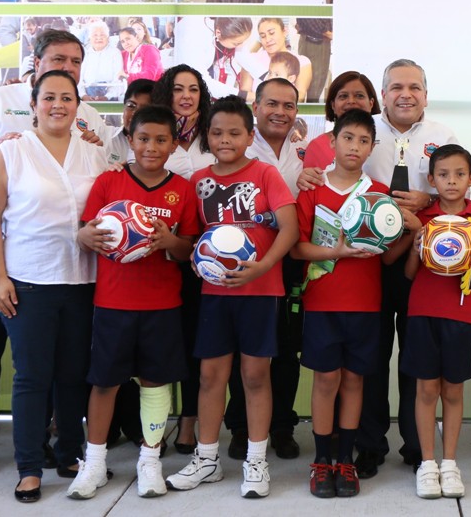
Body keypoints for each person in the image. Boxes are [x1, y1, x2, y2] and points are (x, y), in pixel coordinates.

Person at [0, 28, 109, 483]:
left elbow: (106, 214)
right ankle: (29, 466)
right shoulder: (11, 151)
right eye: (49, 97)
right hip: (29, 280)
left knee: (73, 374)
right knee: (32, 376)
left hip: (82, 280)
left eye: (67, 98)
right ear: (33, 103)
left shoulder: (95, 155)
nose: (58, 104)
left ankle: (69, 453)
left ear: (79, 105)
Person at [166, 95, 299, 499]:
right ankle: (207, 460)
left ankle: (256, 462)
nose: (225, 139)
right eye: (217, 132)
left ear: (249, 135)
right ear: (208, 136)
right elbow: (190, 239)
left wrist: (262, 266)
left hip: (260, 291)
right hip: (215, 293)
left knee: (255, 376)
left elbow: (289, 230)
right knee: (210, 376)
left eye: (234, 132)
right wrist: (194, 257)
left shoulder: (265, 174)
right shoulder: (199, 180)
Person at [333, 59, 458, 479]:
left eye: (415, 87)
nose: (406, 94)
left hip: (418, 260)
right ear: (381, 95)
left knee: (415, 355)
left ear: (426, 94)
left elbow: (456, 187)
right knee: (370, 355)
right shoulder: (362, 132)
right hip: (366, 260)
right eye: (396, 87)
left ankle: (415, 444)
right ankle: (368, 444)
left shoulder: (442, 136)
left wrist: (429, 198)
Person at [67, 105, 198, 499]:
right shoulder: (109, 182)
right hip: (113, 301)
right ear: (130, 139)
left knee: (155, 383)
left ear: (174, 144)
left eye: (161, 140)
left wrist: (168, 242)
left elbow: (189, 248)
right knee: (104, 381)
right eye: (144, 138)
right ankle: (93, 462)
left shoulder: (183, 190)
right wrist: (82, 237)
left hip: (161, 303)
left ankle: (150, 459)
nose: (152, 147)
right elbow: (87, 231)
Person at [292, 109, 416, 498]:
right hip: (323, 301)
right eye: (348, 138)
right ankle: (322, 461)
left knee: (355, 380)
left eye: (364, 141)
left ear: (372, 147)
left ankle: (345, 459)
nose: (355, 147)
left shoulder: (378, 193)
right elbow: (298, 248)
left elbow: (388, 257)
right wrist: (338, 251)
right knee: (326, 379)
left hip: (366, 304)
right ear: (332, 141)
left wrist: (411, 231)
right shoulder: (312, 189)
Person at [403, 144, 471, 499]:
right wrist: (416, 245)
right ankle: (428, 464)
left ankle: (450, 463)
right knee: (426, 389)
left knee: (452, 390)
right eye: (443, 175)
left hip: (459, 316)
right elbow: (411, 274)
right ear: (431, 180)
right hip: (423, 313)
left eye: (459, 174)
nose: (452, 181)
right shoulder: (425, 219)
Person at [150, 64, 216, 455]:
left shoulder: (213, 137)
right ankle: (153, 421)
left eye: (193, 89)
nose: (186, 96)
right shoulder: (154, 134)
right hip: (159, 258)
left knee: (196, 342)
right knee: (160, 343)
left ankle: (189, 422)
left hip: (205, 258)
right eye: (178, 89)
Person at [243, 78, 309, 460]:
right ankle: (240, 427)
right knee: (247, 348)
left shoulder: (306, 151)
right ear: (256, 106)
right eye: (272, 104)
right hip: (247, 261)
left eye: (288, 105)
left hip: (291, 262)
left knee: (286, 347)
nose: (280, 112)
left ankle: (282, 427)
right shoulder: (239, 145)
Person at [303, 71, 380, 171]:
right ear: (333, 105)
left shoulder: (385, 141)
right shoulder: (317, 147)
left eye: (359, 95)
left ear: (371, 103)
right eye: (343, 96)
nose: (351, 101)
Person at [173, 16, 254, 100]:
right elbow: (202, 82)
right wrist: (247, 96)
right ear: (218, 33)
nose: (240, 46)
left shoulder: (222, 27)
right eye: (236, 43)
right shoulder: (195, 36)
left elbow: (245, 58)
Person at [240, 18, 312, 103]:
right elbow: (244, 96)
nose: (268, 39)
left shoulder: (302, 62)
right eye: (263, 36)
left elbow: (300, 96)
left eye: (272, 33)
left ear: (284, 31)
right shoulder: (250, 60)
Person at [104, 78, 155, 165]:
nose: (135, 114)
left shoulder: (160, 149)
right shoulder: (104, 138)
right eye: (131, 105)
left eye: (144, 109)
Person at [79, 21, 123, 101]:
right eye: (95, 35)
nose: (99, 38)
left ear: (108, 37)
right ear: (90, 38)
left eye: (102, 35)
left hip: (110, 97)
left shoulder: (115, 53)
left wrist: (107, 97)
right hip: (86, 96)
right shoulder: (84, 53)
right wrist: (83, 95)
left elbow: (117, 81)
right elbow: (79, 79)